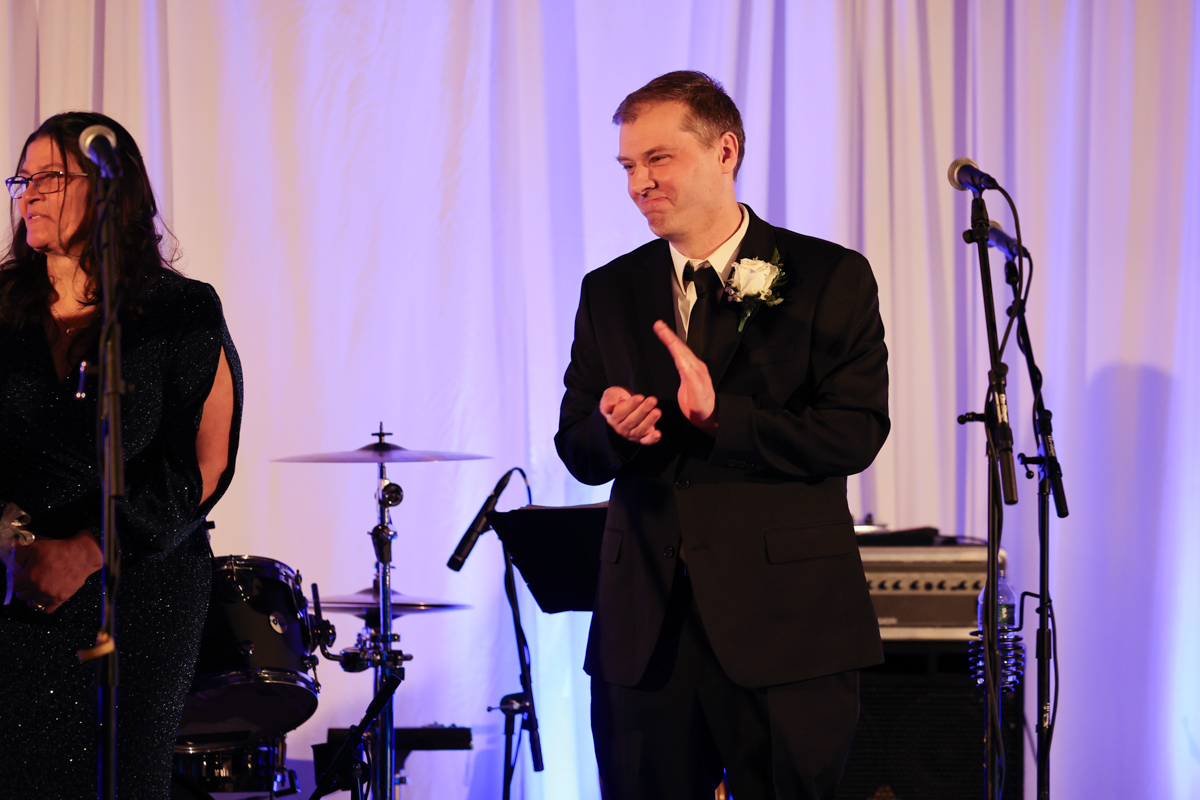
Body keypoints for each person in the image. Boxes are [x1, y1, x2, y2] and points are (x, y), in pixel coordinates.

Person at [555, 72, 890, 799]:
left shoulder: (827, 275)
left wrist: (722, 420)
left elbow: (854, 433)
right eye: (628, 166)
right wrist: (615, 431)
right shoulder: (608, 290)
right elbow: (576, 446)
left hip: (788, 627)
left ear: (725, 151)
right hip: (645, 631)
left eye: (658, 159)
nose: (639, 183)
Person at [0, 112, 241, 798]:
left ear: (110, 188)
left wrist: (90, 549)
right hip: (15, 581)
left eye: (49, 176)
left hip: (143, 589)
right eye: (22, 178)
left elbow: (204, 464)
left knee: (123, 779)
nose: (28, 192)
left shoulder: (182, 310)